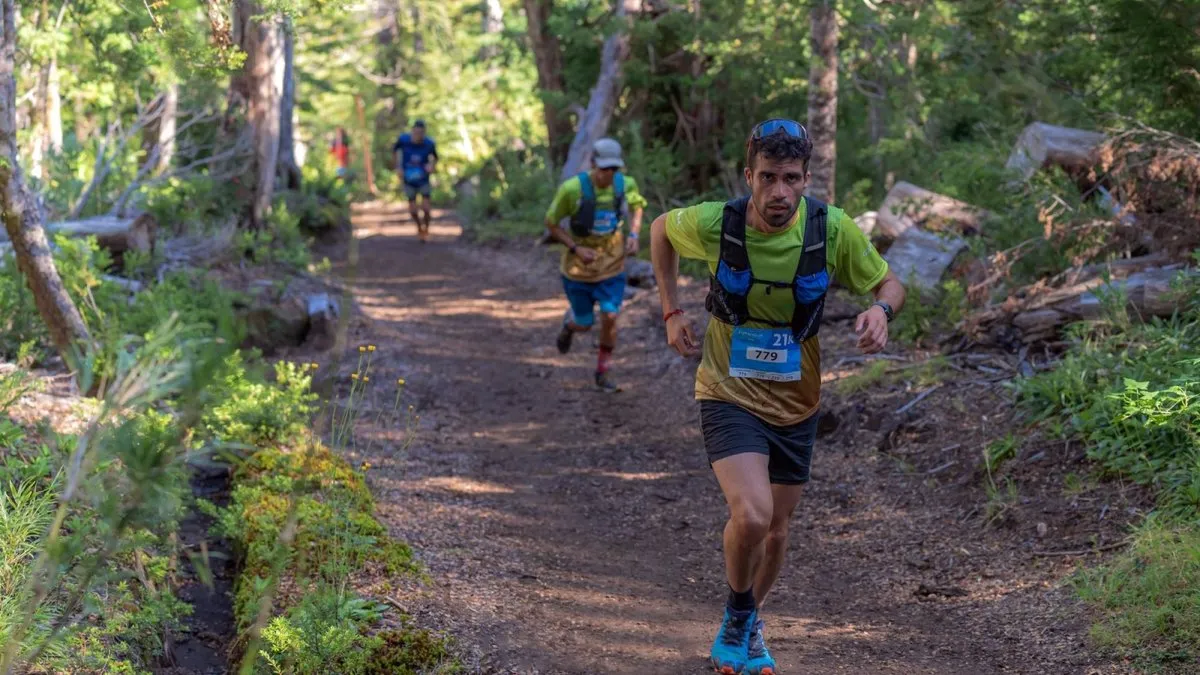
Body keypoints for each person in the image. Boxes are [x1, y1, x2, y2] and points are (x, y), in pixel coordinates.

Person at [648, 119, 905, 674]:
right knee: (754, 514)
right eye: (768, 177)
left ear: (807, 179)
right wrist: (670, 310)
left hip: (797, 400)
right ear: (750, 176)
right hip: (727, 389)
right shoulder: (721, 222)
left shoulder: (831, 229)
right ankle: (739, 617)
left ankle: (746, 620)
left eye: (791, 178)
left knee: (779, 530)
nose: (779, 192)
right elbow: (661, 229)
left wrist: (880, 312)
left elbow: (891, 283)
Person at [545, 138, 647, 393]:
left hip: (612, 266)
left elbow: (637, 207)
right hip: (578, 270)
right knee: (585, 322)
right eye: (604, 169)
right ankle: (570, 327)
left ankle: (603, 372)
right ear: (592, 164)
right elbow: (552, 223)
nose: (609, 174)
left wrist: (634, 235)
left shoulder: (626, 185)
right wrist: (575, 248)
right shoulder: (572, 190)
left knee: (611, 315)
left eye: (614, 169)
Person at [393, 120, 439, 243]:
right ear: (412, 131)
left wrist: (432, 166)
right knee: (413, 209)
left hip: (423, 179)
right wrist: (398, 167)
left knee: (426, 208)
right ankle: (419, 227)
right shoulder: (403, 140)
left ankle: (426, 230)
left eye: (421, 133)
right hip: (408, 179)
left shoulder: (429, 143)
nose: (418, 135)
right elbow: (395, 151)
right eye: (416, 132)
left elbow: (435, 158)